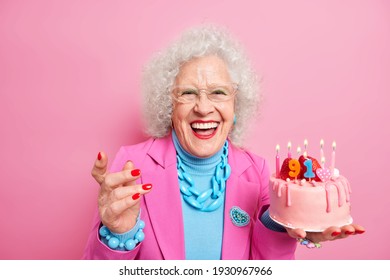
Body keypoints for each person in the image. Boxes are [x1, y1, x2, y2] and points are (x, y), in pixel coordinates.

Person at [83, 25, 365, 260]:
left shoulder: (257, 171)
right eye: (189, 93)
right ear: (169, 103)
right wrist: (119, 235)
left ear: (236, 104)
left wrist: (279, 222)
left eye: (218, 92)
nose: (203, 108)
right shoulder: (132, 166)